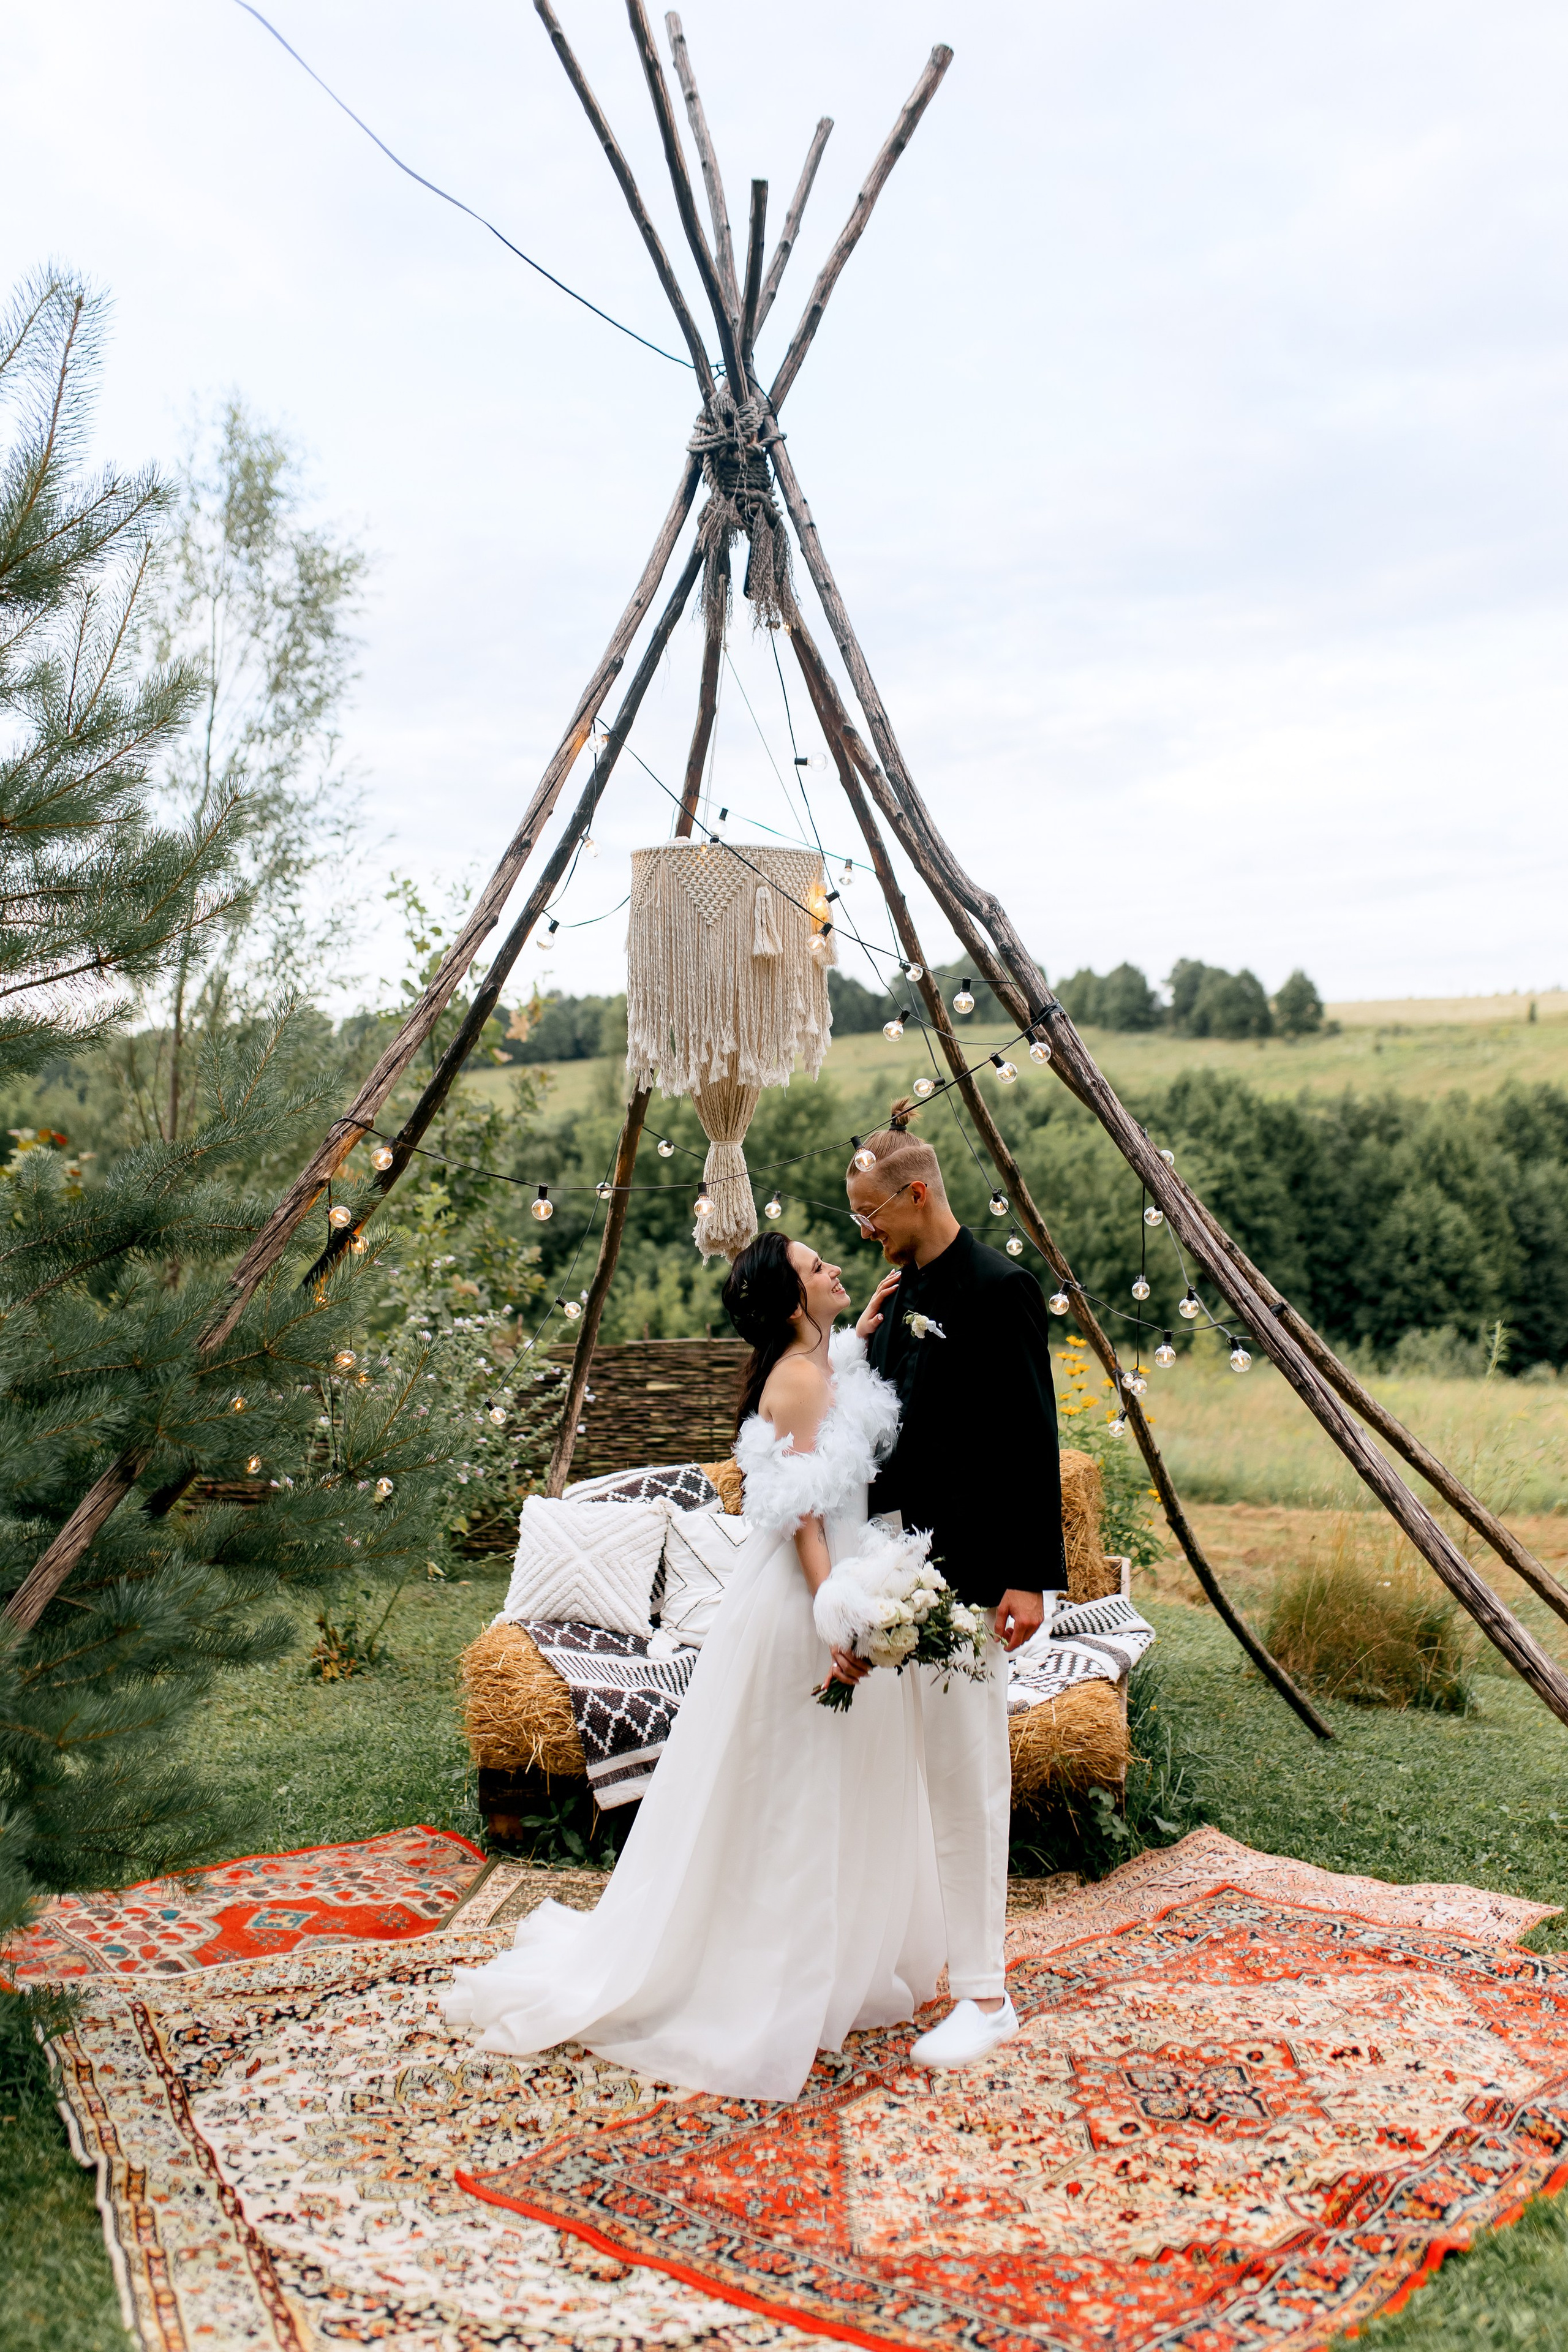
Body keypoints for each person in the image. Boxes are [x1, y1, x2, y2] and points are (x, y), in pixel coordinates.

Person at [440, 1232, 946, 2101]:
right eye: (815, 1267)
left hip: (844, 1571)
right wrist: (838, 1615)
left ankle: (839, 1966)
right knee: (795, 1792)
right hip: (802, 1599)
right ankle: (767, 1980)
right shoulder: (793, 1380)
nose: (833, 1268)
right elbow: (801, 1518)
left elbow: (837, 1413)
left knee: (845, 1780)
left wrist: (855, 1336)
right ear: (791, 1302)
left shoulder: (818, 1360)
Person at [845, 1102, 1065, 2070]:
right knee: (900, 1773)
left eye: (871, 1213)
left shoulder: (1000, 1287)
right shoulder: (895, 1296)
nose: (865, 1231)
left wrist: (1027, 1575)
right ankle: (899, 1961)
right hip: (891, 1568)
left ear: (917, 1192)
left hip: (970, 1572)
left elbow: (1030, 1437)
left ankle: (987, 1995)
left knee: (970, 1775)